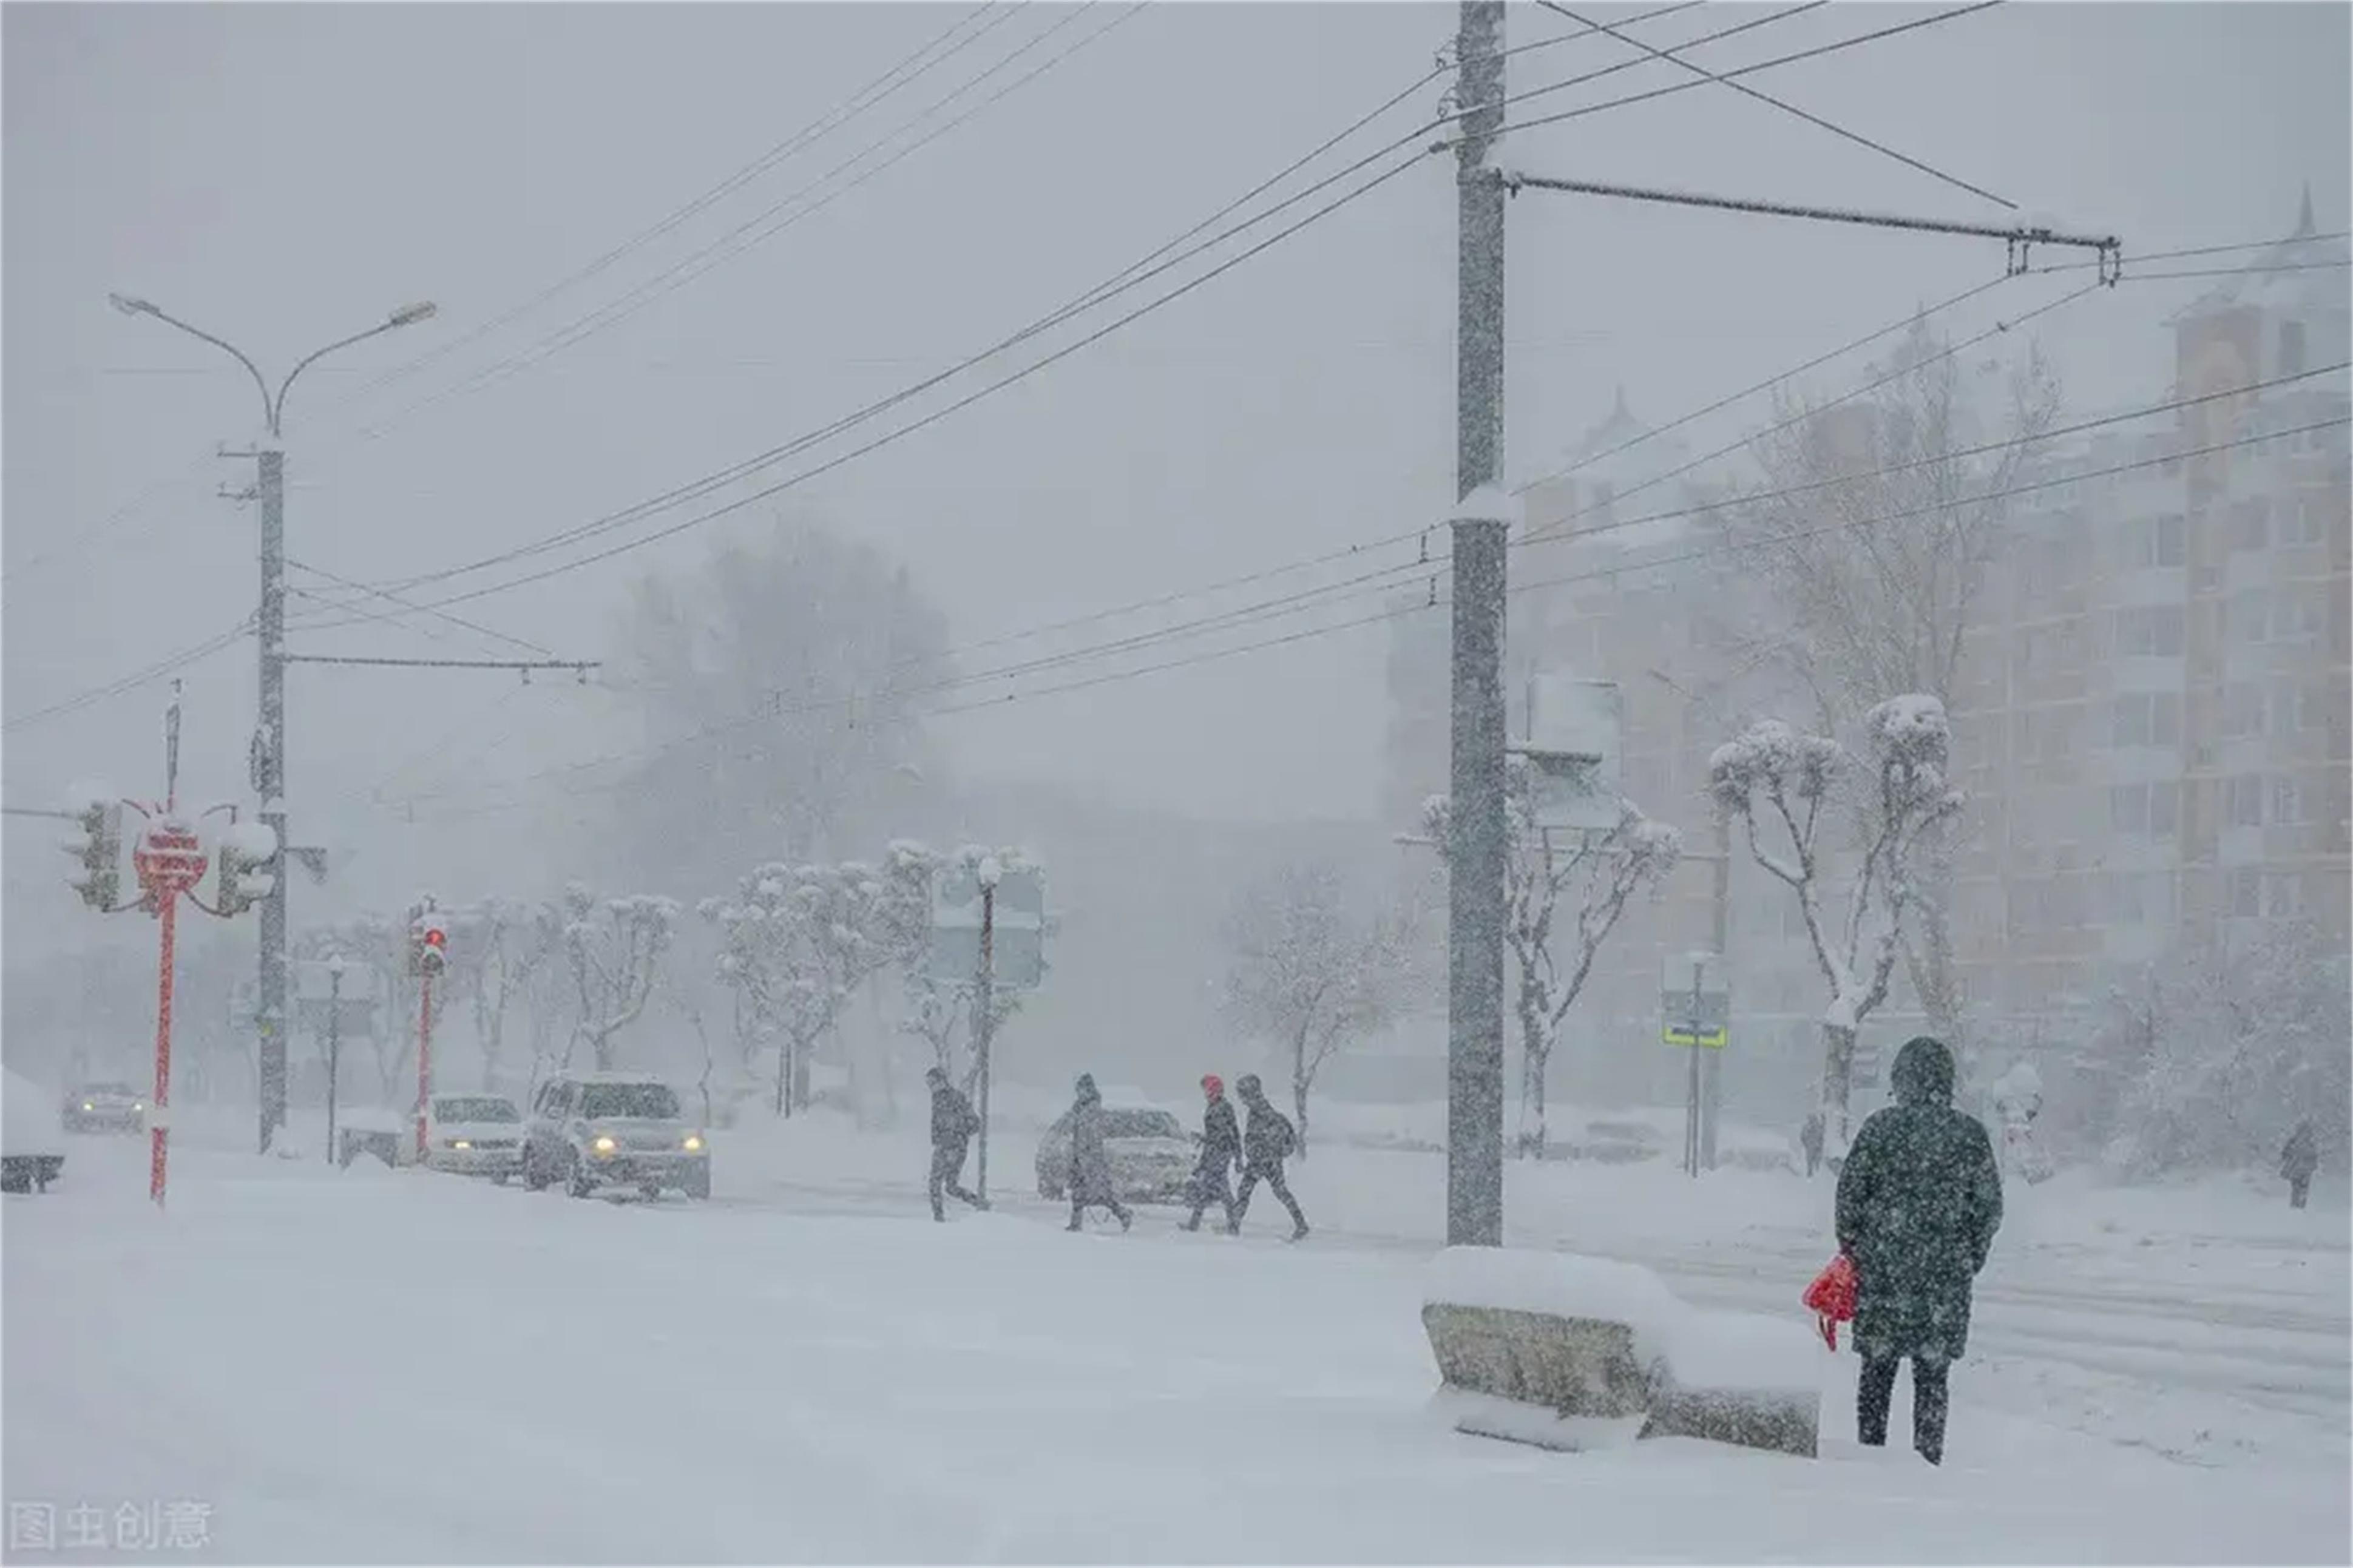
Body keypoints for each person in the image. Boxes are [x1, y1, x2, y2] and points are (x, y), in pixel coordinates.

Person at [1834, 1036, 2002, 1467]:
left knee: (1875, 1374)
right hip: (1942, 1284)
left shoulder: (1879, 1130)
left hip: (1881, 1279)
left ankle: (1869, 1460)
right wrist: (1966, 1257)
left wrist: (1857, 1253)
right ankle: (1927, 1464)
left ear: (1901, 1080)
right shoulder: (1968, 1137)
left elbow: (1848, 1200)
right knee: (1932, 1379)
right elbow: (1987, 1208)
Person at [1231, 1074, 1309, 1241]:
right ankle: (1301, 1224)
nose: (1242, 1099)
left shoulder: (1259, 1109)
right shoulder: (1262, 1107)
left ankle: (1234, 1226)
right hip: (1271, 1159)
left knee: (1245, 1190)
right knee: (1280, 1191)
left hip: (1262, 1159)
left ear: (1250, 1092)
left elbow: (1258, 1136)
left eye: (1242, 1094)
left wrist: (1255, 1151)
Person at [1065, 1074, 1132, 1233]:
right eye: (1078, 1090)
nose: (1079, 1093)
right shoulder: (1080, 1108)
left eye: (1082, 1090)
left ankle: (1123, 1214)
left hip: (1090, 1159)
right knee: (1079, 1192)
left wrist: (1089, 1159)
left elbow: (1093, 1138)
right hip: (1080, 1158)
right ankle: (1076, 1223)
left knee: (1101, 1194)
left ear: (1088, 1090)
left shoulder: (1092, 1110)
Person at [925, 1067, 986, 1222]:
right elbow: (937, 1123)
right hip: (943, 1146)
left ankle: (978, 1204)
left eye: (933, 1083)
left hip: (955, 1147)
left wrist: (957, 1135)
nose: (931, 1087)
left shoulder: (956, 1098)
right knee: (941, 1185)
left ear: (942, 1081)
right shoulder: (937, 1099)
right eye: (929, 1084)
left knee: (944, 1185)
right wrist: (937, 1139)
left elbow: (974, 1123)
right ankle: (940, 1217)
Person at [1182, 1073, 1242, 1232]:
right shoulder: (1216, 1107)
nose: (1206, 1094)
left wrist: (1238, 1157)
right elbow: (1228, 1134)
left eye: (1207, 1090)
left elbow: (1227, 1134)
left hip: (1219, 1154)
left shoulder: (1222, 1108)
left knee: (1219, 1190)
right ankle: (1197, 1224)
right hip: (1216, 1153)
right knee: (1209, 1190)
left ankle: (1232, 1224)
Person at [2281, 1120, 2319, 1211]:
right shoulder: (2311, 1142)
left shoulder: (2294, 1141)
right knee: (2303, 1189)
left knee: (2297, 1188)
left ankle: (2296, 1206)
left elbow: (2285, 1154)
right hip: (2305, 1171)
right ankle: (2300, 1206)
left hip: (2297, 1170)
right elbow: (2315, 1157)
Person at [1800, 1109, 1826, 1178]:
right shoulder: (1806, 1127)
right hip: (1810, 1146)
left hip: (1816, 1146)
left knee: (1817, 1160)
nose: (1812, 1120)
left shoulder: (1818, 1126)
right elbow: (1803, 1137)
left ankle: (1818, 1171)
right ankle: (1810, 1172)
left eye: (1814, 1118)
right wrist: (1806, 1144)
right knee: (1810, 1160)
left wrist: (1820, 1144)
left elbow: (1822, 1133)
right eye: (1811, 1119)